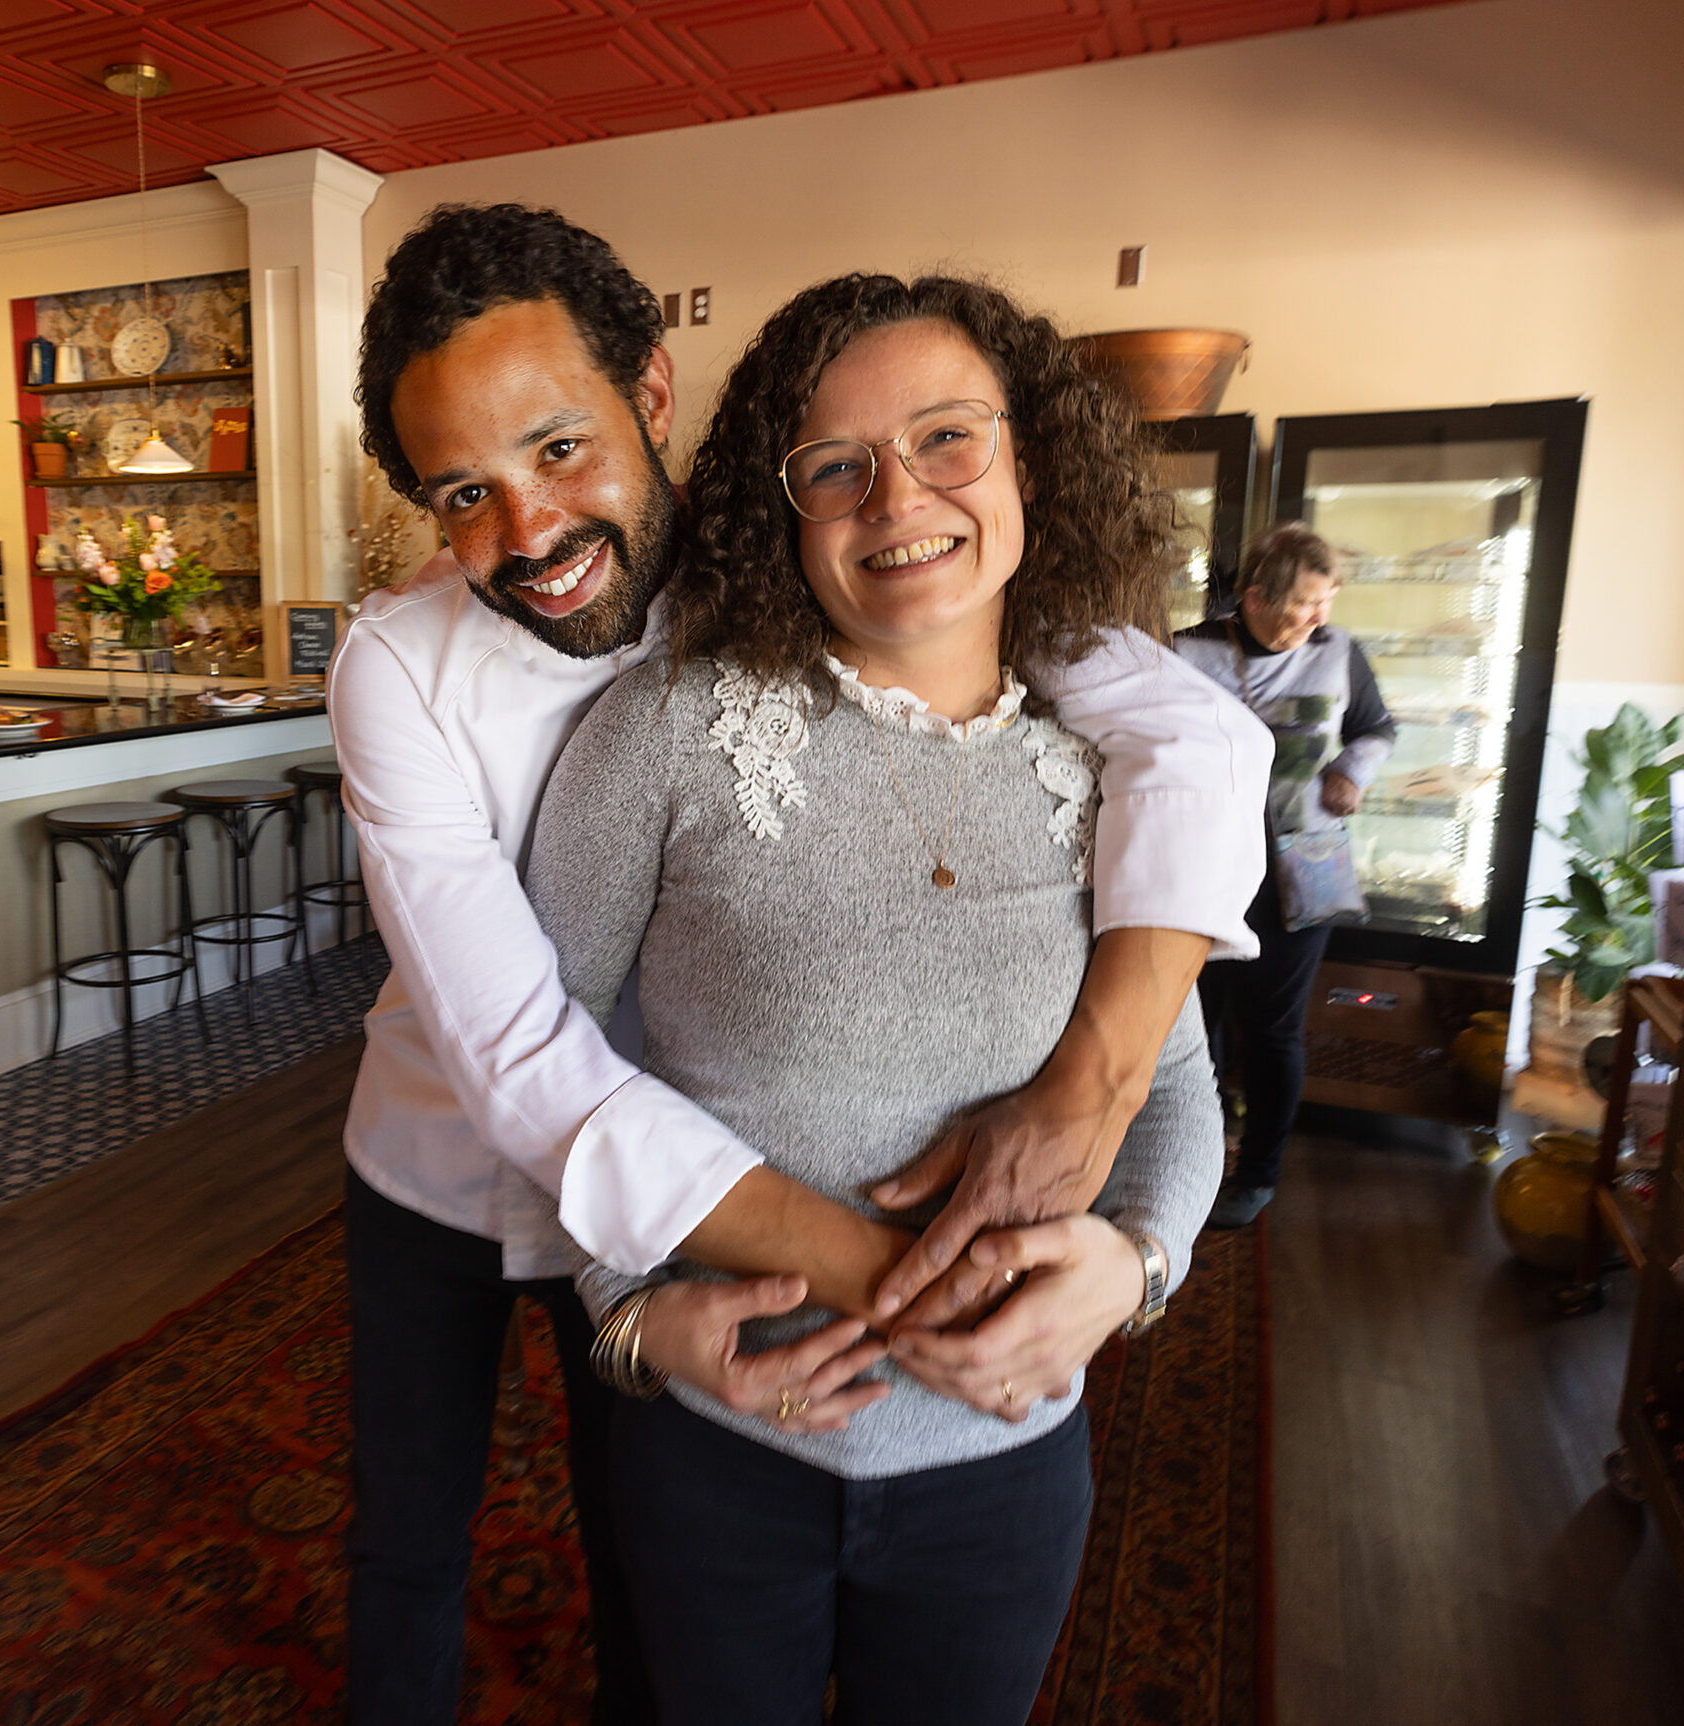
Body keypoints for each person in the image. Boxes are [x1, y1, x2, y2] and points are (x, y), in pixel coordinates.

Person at [331, 204, 1269, 1725]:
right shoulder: (395, 661)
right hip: (449, 1144)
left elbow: (1197, 734)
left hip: (683, 1160)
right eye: (465, 492)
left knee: (637, 1549)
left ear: (652, 393)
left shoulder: (818, 542)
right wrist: (921, 1286)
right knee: (411, 1538)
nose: (533, 532)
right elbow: (523, 1051)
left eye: (560, 450)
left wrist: (1098, 1134)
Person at [1176, 523, 1396, 1227]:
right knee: (1190, 1030)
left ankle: (1258, 1174)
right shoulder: (1187, 651)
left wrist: (1349, 773)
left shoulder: (1338, 653)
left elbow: (1375, 728)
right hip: (1203, 868)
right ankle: (1188, 1163)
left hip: (1302, 873)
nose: (1319, 618)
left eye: (1327, 601)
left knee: (1274, 1032)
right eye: (1305, 603)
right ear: (1253, 597)